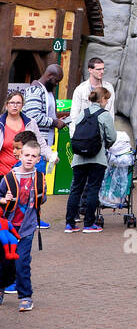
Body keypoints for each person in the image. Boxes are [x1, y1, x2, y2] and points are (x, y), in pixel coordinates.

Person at [0, 131, 46, 311]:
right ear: (20, 155)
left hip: (27, 228)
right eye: (26, 155)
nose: (29, 159)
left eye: (33, 156)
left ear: (38, 159)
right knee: (4, 262)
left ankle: (25, 296)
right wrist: (5, 199)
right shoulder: (9, 177)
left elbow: (42, 199)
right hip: (8, 229)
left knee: (22, 262)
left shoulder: (39, 178)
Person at [65, 86, 117, 233]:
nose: (107, 102)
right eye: (106, 99)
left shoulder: (83, 113)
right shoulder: (105, 115)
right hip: (97, 158)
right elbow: (112, 137)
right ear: (102, 99)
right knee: (93, 189)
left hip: (79, 158)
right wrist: (104, 146)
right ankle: (88, 223)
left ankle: (70, 224)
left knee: (76, 189)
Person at [21, 63, 67, 229]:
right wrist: (55, 122)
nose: (56, 85)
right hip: (34, 146)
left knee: (38, 186)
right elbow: (33, 116)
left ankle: (35, 217)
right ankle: (32, 219)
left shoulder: (46, 91)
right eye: (56, 81)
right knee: (34, 187)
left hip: (43, 145)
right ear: (49, 77)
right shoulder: (35, 90)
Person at [0, 91, 53, 178]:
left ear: (22, 106)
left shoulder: (30, 122)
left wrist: (51, 156)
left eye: (18, 103)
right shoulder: (1, 123)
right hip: (3, 172)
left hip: (25, 173)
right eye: (12, 103)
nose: (15, 106)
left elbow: (40, 144)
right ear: (6, 105)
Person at [69, 56, 116, 124]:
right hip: (85, 129)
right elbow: (74, 115)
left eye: (103, 69)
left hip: (102, 129)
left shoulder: (109, 88)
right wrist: (74, 134)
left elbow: (111, 113)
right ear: (90, 70)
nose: (102, 71)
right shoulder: (80, 89)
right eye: (98, 69)